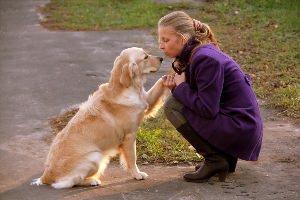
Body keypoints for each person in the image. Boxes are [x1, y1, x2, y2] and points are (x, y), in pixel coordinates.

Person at [158, 11, 263, 183]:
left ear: (183, 39)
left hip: (241, 129)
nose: (161, 46)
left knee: (173, 105)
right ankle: (225, 158)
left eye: (165, 40)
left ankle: (215, 159)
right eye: (160, 40)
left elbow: (208, 109)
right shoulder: (200, 51)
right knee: (178, 100)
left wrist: (181, 88)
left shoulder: (205, 59)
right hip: (240, 126)